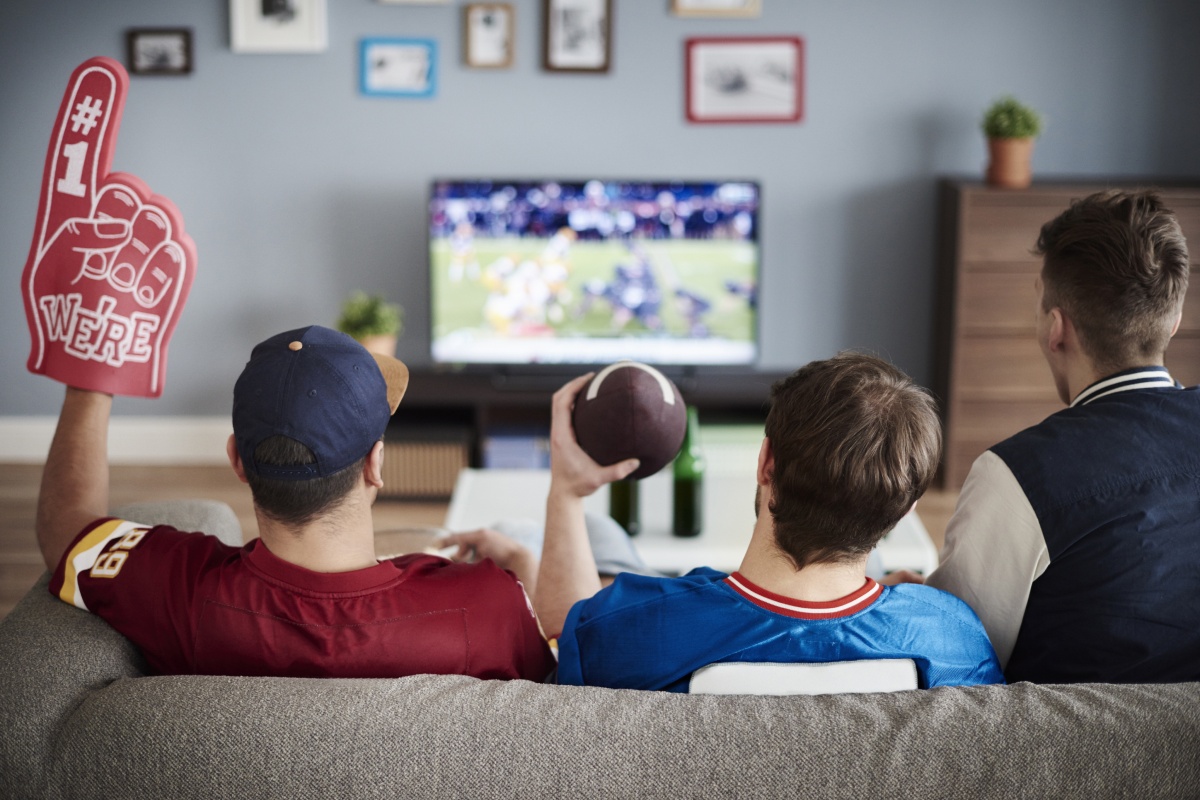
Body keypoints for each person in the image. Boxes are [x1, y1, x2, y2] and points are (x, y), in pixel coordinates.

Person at [40, 325, 556, 681]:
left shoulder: (172, 589)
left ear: (236, 461)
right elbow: (553, 688)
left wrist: (90, 384)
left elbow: (66, 528)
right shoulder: (488, 602)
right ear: (376, 464)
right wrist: (523, 567)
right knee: (530, 533)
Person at [533, 352, 1004, 692]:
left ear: (765, 463)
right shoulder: (950, 634)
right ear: (905, 509)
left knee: (597, 535)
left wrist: (567, 491)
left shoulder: (631, 625)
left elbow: (563, 629)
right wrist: (898, 602)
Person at [923, 189, 1200, 684]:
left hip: (1068, 757)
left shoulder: (1016, 476)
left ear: (1056, 329)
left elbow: (952, 663)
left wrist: (918, 608)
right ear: (1174, 322)